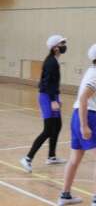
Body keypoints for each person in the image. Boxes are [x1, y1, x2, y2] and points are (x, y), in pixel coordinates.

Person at [58, 41, 96, 206]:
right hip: (87, 116)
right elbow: (84, 98)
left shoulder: (92, 71)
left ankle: (65, 195)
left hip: (77, 115)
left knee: (75, 159)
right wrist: (84, 125)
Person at [20, 35, 68, 172]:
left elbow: (52, 83)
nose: (64, 46)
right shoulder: (51, 62)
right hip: (47, 97)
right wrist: (52, 100)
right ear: (55, 48)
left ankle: (51, 156)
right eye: (62, 43)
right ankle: (27, 158)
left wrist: (57, 97)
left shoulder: (54, 61)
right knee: (48, 130)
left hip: (52, 95)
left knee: (57, 125)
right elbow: (46, 83)